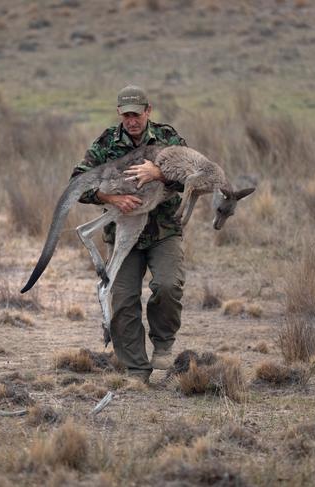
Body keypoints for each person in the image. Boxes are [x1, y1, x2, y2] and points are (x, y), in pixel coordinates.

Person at [70, 85, 186, 384]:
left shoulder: (168, 138)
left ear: (149, 110)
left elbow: (191, 179)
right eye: (126, 115)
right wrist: (111, 199)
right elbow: (77, 184)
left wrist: (158, 174)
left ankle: (163, 346)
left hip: (163, 230)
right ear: (119, 114)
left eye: (137, 113)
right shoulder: (106, 142)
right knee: (123, 300)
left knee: (167, 286)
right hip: (123, 233)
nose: (131, 120)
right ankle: (136, 370)